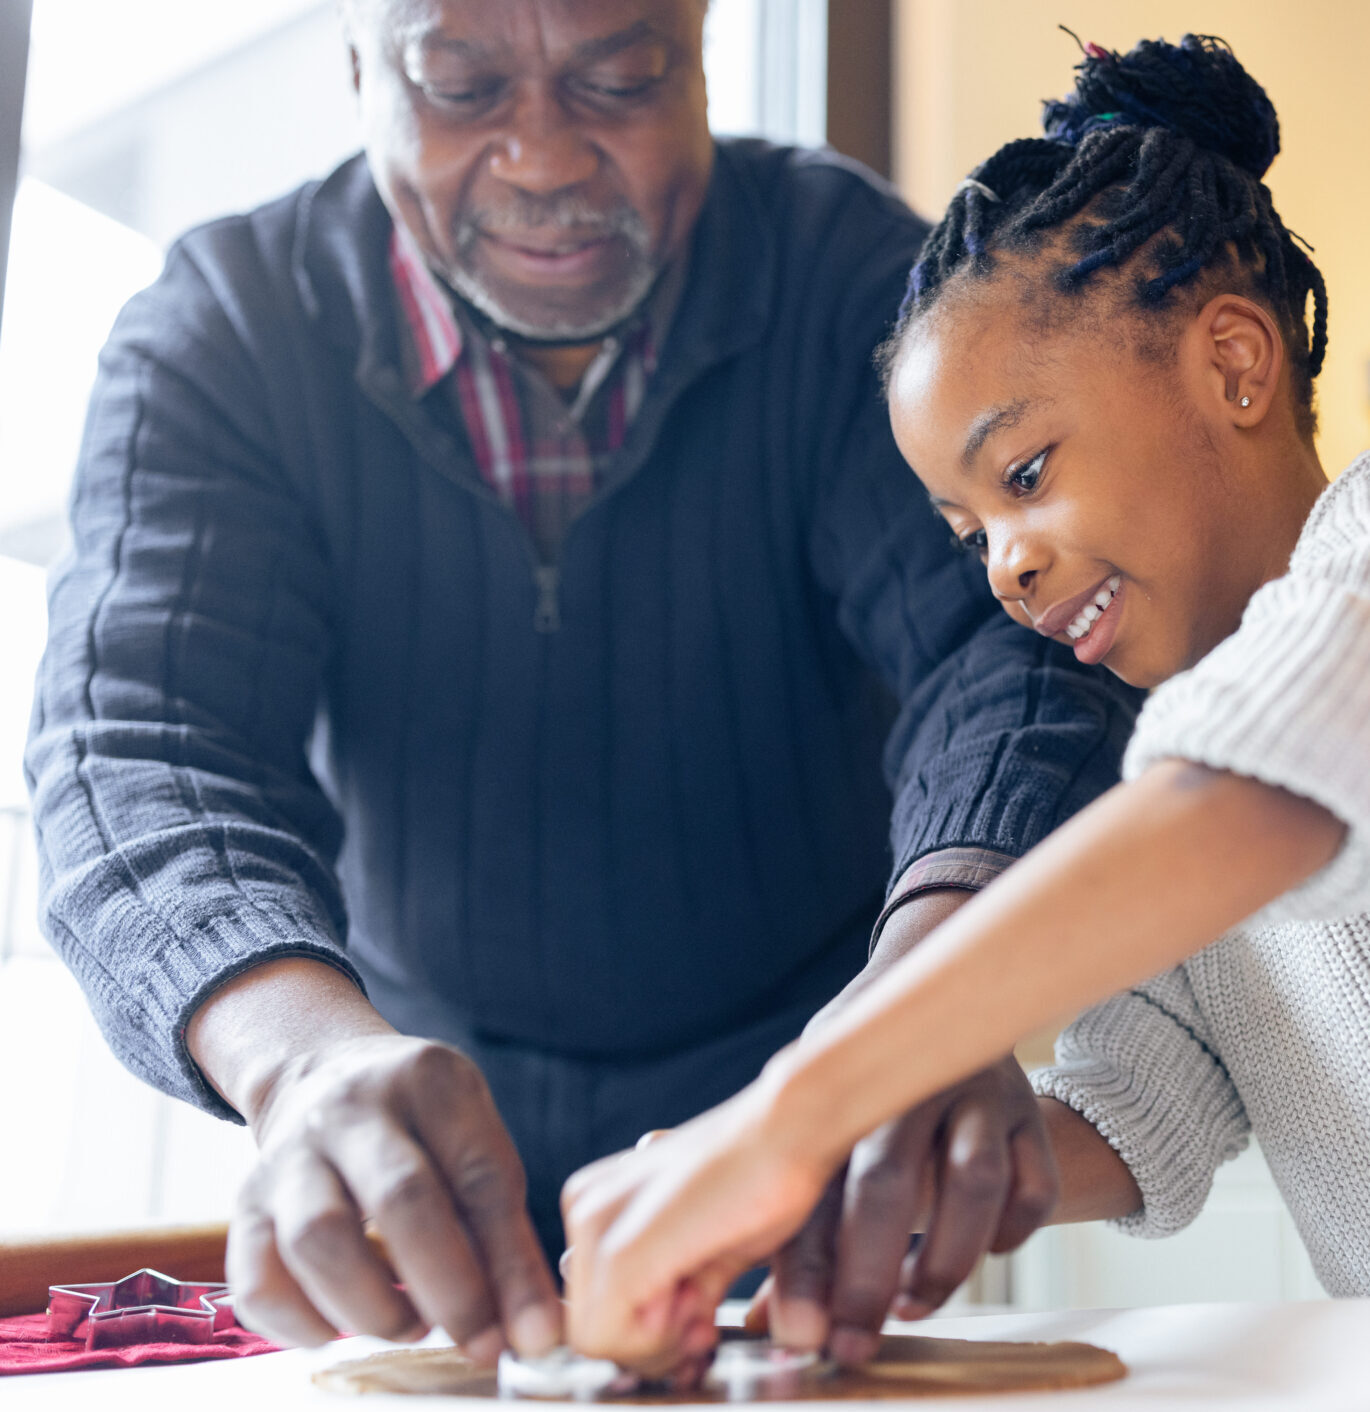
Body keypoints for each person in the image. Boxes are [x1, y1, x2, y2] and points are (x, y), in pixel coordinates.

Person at [25, 0, 1137, 1362]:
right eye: (461, 84)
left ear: (701, 58)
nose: (543, 160)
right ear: (361, 72)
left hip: (817, 1122)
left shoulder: (850, 278)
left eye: (618, 79)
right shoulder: (227, 333)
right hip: (407, 1114)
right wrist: (300, 1060)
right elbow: (142, 742)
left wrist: (933, 997)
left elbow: (1006, 649)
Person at [561, 32, 1370, 1370]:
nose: (1006, 562)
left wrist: (789, 1115)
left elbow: (1255, 785)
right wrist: (918, 1145)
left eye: (1028, 471)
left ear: (1233, 364)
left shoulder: (1268, 712)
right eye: (965, 529)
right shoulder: (1163, 788)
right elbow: (1135, 1108)